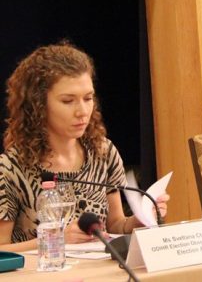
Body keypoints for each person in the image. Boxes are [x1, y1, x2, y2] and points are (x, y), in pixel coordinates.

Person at [0, 42, 169, 252]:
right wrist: (57, 239)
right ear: (38, 105)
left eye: (88, 98)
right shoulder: (10, 168)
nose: (82, 111)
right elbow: (2, 250)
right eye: (68, 101)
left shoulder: (103, 152)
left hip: (97, 268)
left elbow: (115, 225)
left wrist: (138, 221)